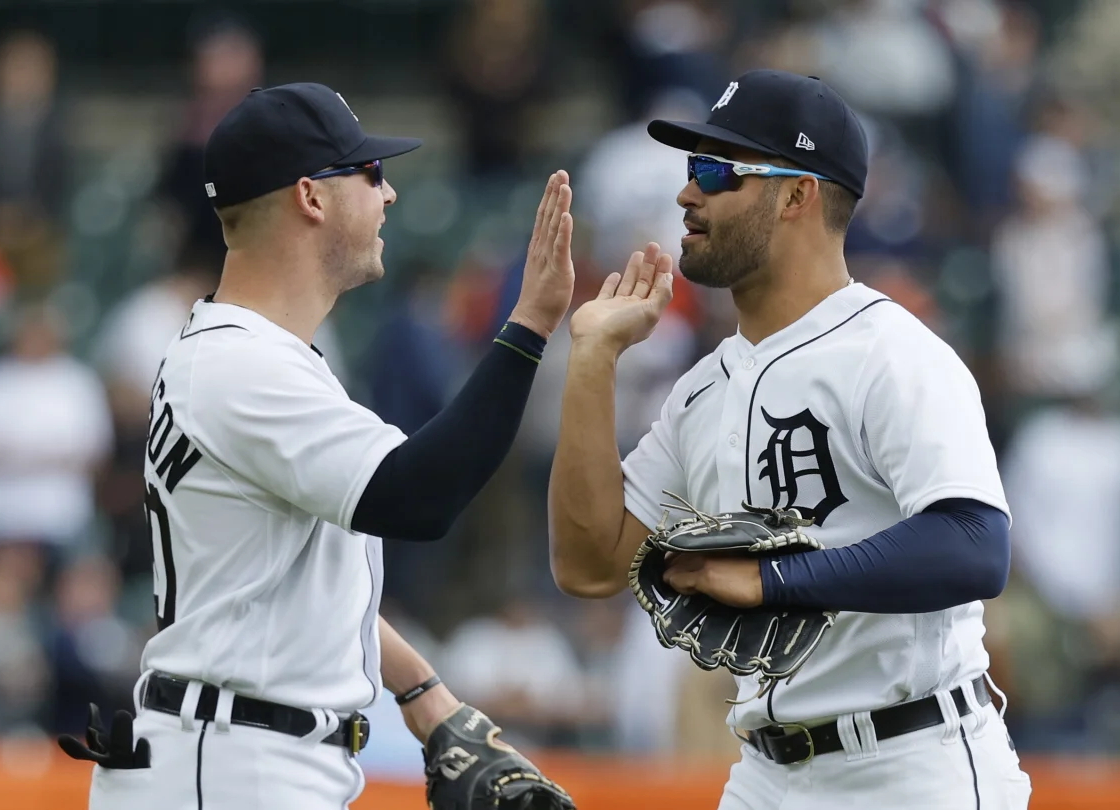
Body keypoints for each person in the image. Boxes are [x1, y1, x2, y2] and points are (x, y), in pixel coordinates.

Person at [57, 83, 575, 810]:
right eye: (370, 175)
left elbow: (305, 581)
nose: (389, 195)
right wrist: (528, 327)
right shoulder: (242, 366)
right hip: (231, 762)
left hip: (240, 752)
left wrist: (426, 697)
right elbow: (419, 495)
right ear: (311, 196)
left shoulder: (250, 353)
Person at [548, 70, 1032, 808]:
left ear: (799, 194)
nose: (687, 194)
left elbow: (974, 543)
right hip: (768, 774)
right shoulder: (700, 393)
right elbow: (589, 564)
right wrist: (592, 362)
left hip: (910, 763)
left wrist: (775, 579)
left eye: (716, 172)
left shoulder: (892, 353)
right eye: (691, 169)